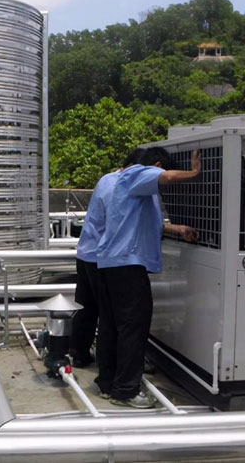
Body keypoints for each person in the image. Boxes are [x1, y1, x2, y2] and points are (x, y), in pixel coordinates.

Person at [95, 147, 200, 408]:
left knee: (112, 325)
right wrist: (194, 172)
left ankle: (108, 383)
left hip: (112, 263)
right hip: (127, 265)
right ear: (156, 166)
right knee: (134, 326)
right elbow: (169, 177)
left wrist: (178, 229)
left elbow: (146, 222)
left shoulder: (129, 184)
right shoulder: (137, 174)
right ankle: (126, 390)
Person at [70, 149, 145, 368]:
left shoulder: (107, 179)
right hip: (101, 258)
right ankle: (108, 364)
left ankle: (79, 353)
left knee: (86, 307)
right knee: (108, 313)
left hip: (86, 252)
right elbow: (118, 222)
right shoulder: (121, 186)